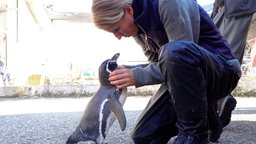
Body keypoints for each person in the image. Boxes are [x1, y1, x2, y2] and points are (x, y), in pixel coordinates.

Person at [91, 0, 241, 143]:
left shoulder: (169, 3)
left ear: (128, 10)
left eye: (116, 29)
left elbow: (181, 58)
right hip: (188, 78)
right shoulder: (138, 27)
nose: (118, 37)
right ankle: (211, 119)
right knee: (144, 136)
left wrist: (137, 75)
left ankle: (195, 135)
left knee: (175, 51)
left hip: (223, 71)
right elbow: (161, 66)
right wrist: (126, 72)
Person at [211, 0, 256, 128]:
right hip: (243, 6)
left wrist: (218, 3)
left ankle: (220, 100)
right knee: (233, 52)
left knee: (226, 53)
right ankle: (220, 100)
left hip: (237, 6)